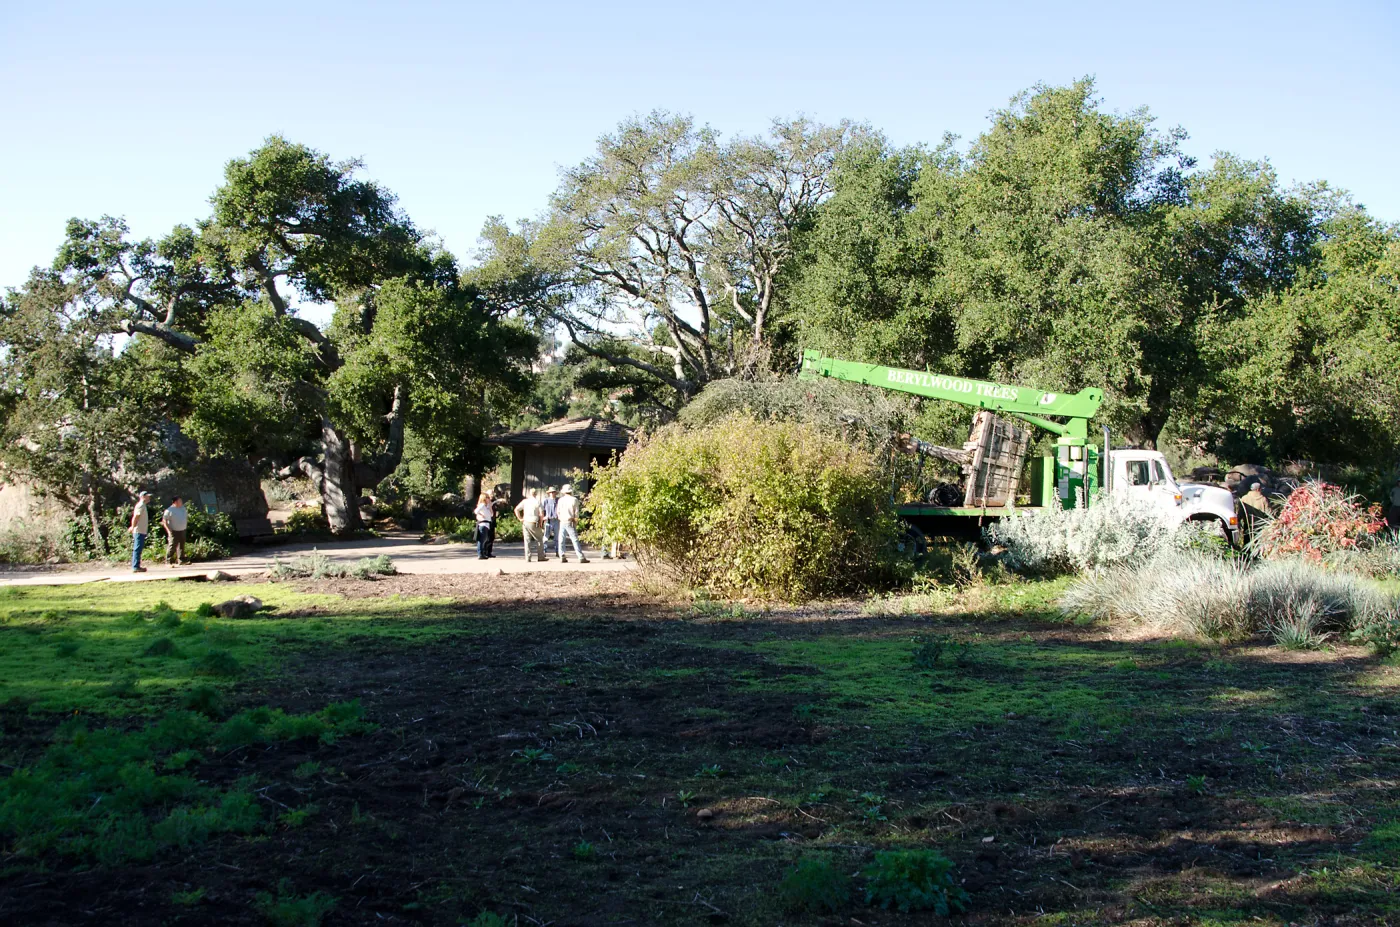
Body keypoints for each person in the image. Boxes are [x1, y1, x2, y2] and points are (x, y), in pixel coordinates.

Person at [555, 483, 588, 564]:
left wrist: (560, 518)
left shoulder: (560, 500)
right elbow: (576, 512)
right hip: (570, 520)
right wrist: (576, 521)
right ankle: (580, 556)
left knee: (561, 539)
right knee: (574, 539)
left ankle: (562, 555)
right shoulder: (574, 500)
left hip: (562, 521)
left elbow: (558, 511)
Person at [514, 488, 546, 562]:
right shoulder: (537, 502)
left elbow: (516, 509)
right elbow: (541, 514)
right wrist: (541, 523)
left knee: (527, 540)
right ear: (536, 494)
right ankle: (541, 556)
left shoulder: (525, 501)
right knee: (539, 539)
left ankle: (528, 557)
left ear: (529, 493)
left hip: (526, 522)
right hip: (534, 522)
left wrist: (520, 518)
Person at [161, 496, 189, 567]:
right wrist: (168, 530)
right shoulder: (169, 510)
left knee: (181, 546)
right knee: (172, 546)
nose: (181, 502)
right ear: (175, 502)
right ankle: (168, 561)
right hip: (174, 531)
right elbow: (164, 521)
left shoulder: (182, 508)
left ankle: (181, 560)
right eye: (180, 501)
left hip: (182, 530)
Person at [129, 490, 152, 572]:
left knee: (139, 548)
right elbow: (136, 517)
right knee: (137, 548)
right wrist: (133, 527)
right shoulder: (141, 505)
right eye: (147, 496)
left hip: (142, 530)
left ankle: (137, 565)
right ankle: (135, 567)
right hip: (138, 530)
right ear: (143, 497)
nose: (149, 498)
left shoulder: (143, 505)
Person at [473, 493, 495, 560]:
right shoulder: (482, 505)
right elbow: (476, 511)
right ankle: (480, 554)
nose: (489, 499)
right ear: (484, 499)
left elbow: (491, 515)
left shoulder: (487, 506)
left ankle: (483, 553)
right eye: (487, 497)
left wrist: (490, 507)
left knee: (485, 539)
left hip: (487, 524)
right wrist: (481, 514)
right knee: (482, 539)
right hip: (483, 524)